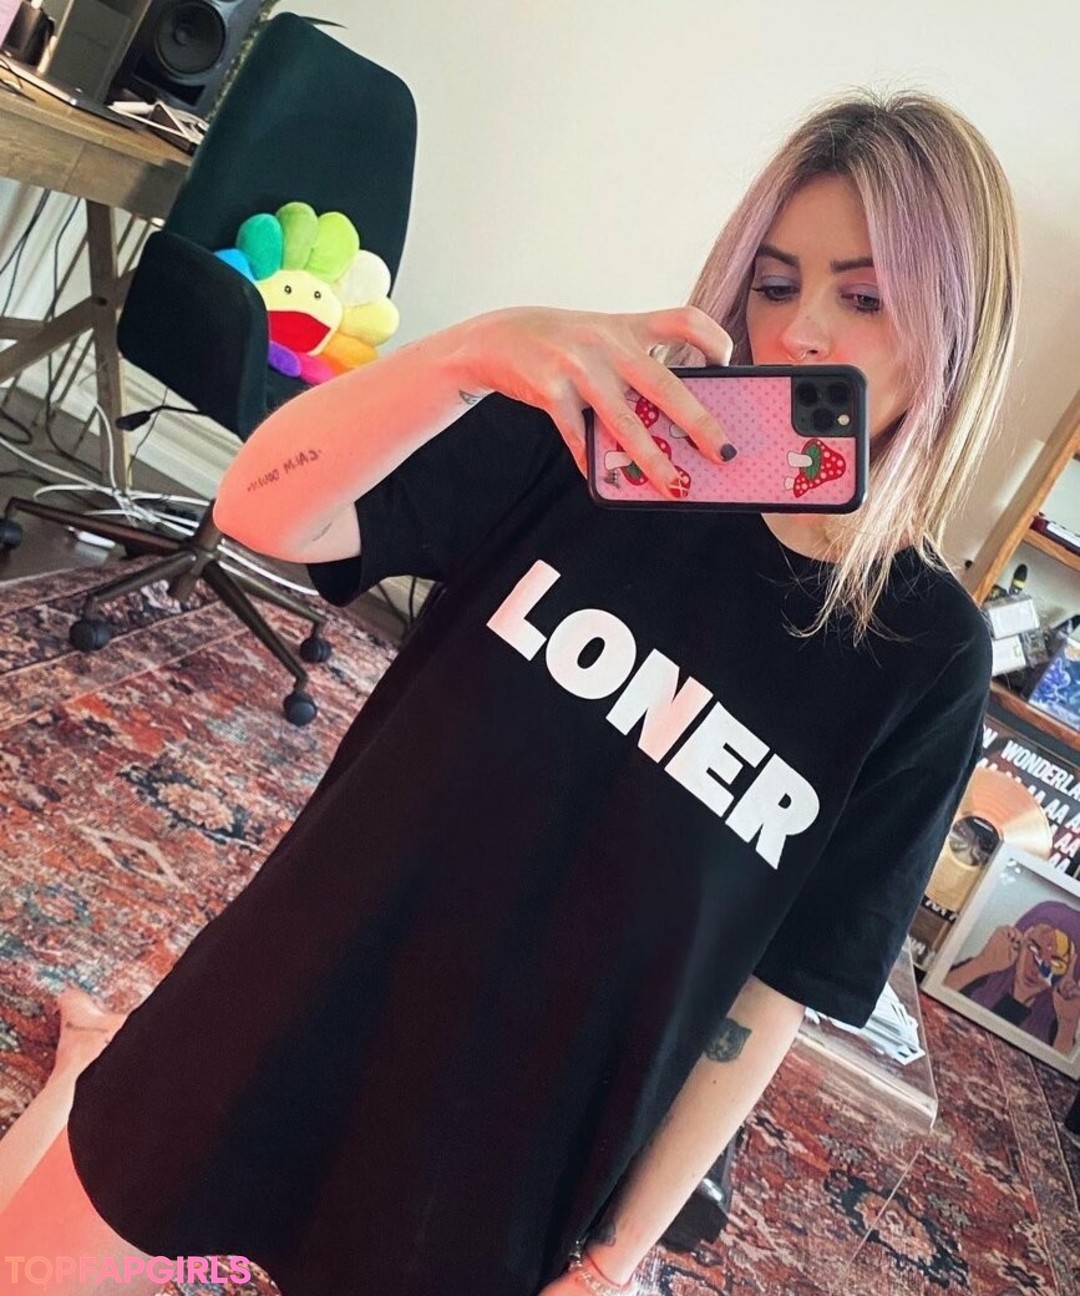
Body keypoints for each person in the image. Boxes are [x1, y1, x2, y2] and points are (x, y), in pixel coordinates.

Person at [0, 86, 1018, 1296]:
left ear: (953, 331)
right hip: (289, 995)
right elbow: (264, 509)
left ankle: (95, 1053)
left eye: (864, 297)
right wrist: (471, 356)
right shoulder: (599, 440)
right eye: (775, 282)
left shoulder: (927, 657)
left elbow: (778, 992)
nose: (798, 332)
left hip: (503, 1165)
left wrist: (615, 1260)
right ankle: (96, 1063)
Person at [943, 903, 1080, 1053]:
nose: (1037, 969)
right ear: (1022, 937)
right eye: (1034, 947)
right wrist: (982, 963)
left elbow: (1058, 1064)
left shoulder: (1058, 1026)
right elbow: (935, 991)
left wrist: (1068, 1025)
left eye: (1056, 962)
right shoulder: (980, 974)